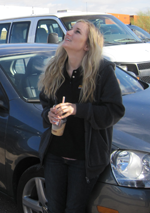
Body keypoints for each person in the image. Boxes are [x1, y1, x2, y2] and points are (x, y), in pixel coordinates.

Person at [38, 19, 125, 213]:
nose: (68, 33)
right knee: (55, 208)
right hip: (55, 155)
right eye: (70, 29)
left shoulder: (102, 71)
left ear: (87, 45)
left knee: (74, 210)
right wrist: (49, 114)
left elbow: (114, 111)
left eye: (77, 31)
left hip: (84, 160)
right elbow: (44, 105)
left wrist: (77, 109)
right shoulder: (54, 69)